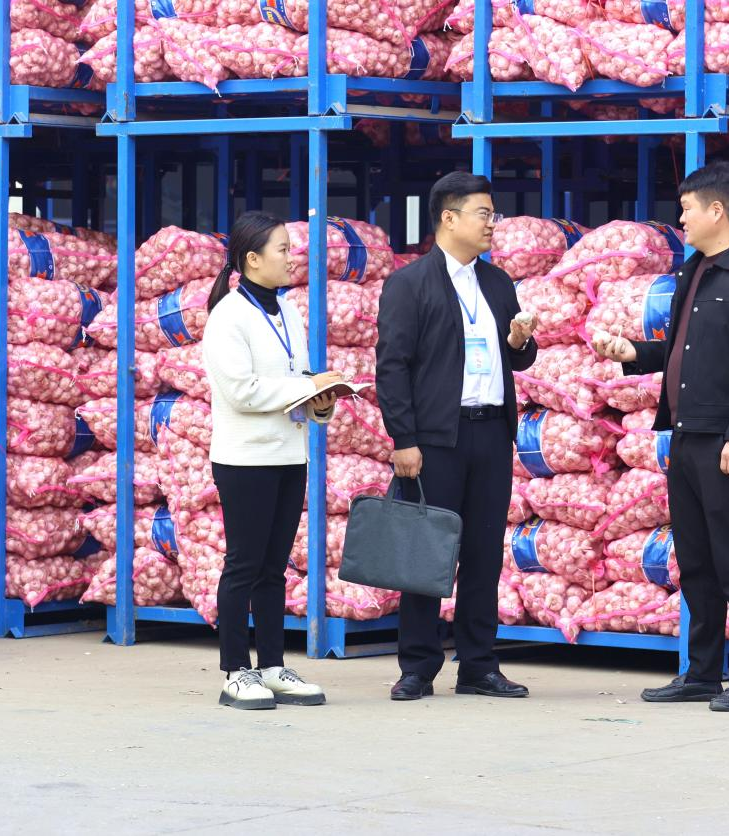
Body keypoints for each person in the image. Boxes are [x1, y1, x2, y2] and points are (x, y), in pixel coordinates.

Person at [592, 161, 729, 712]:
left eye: (687, 210)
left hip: (727, 443)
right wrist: (634, 353)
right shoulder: (694, 271)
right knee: (696, 561)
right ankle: (701, 672)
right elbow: (684, 349)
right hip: (684, 437)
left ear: (717, 210)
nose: (680, 220)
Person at [376, 172, 540, 701]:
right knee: (425, 553)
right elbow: (392, 367)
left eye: (493, 214)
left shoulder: (497, 283)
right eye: (483, 214)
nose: (492, 224)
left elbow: (518, 358)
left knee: (484, 554)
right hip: (435, 439)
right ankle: (418, 666)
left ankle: (478, 665)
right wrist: (403, 439)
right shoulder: (410, 284)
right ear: (449, 218)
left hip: (490, 432)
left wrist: (519, 342)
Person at [202, 210, 347, 711]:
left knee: (273, 568)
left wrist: (320, 400)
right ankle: (234, 672)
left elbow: (294, 380)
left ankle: (270, 665)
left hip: (288, 453)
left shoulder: (288, 310)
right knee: (243, 565)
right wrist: (305, 385)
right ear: (252, 259)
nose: (291, 257)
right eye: (283, 249)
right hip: (245, 459)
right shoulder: (227, 317)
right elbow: (242, 391)